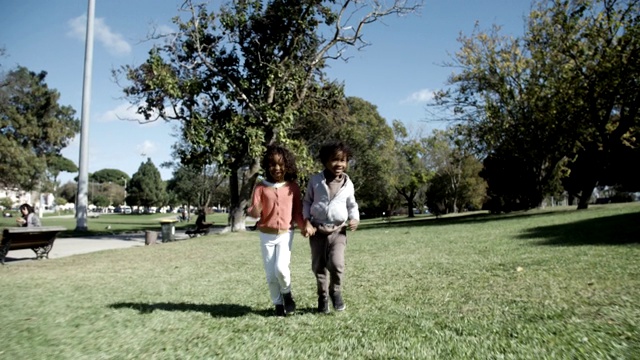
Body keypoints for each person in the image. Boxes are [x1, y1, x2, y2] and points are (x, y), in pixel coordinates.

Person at [247, 144, 305, 317]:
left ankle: (287, 294)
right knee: (271, 275)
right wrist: (255, 211)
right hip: (266, 235)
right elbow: (253, 211)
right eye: (272, 164)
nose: (277, 168)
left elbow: (297, 212)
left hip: (285, 234)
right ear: (267, 166)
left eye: (281, 164)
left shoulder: (292, 187)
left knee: (281, 268)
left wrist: (304, 226)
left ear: (287, 166)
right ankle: (278, 304)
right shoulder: (260, 187)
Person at [303, 141, 359, 314]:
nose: (339, 164)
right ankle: (323, 297)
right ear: (325, 161)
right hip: (317, 231)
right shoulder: (315, 181)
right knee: (318, 267)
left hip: (338, 231)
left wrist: (354, 218)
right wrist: (306, 221)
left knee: (336, 264)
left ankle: (335, 291)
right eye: (335, 160)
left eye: (343, 160)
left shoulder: (348, 184)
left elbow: (352, 204)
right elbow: (307, 202)